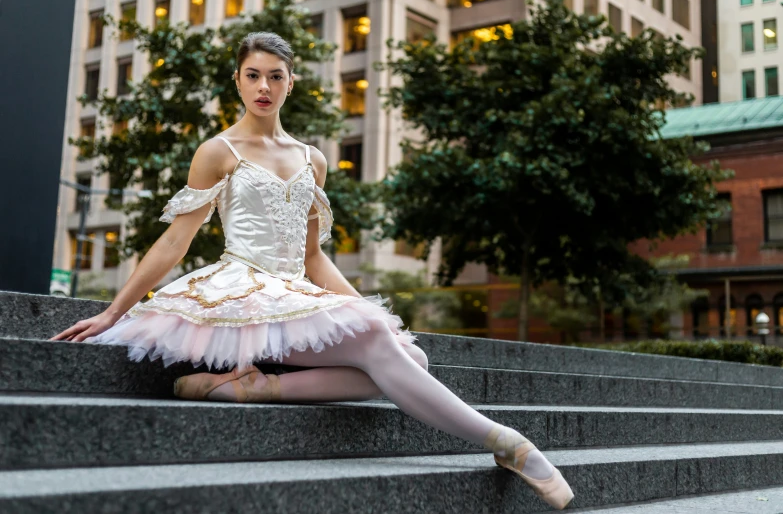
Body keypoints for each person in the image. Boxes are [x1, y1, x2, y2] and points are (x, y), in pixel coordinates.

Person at [50, 32, 573, 509]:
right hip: (241, 294)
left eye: (275, 76)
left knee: (411, 353)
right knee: (387, 352)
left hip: (294, 291)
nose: (263, 86)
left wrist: (366, 310)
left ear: (290, 83)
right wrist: (115, 312)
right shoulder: (217, 151)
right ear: (237, 80)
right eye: (253, 75)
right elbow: (175, 240)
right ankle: (507, 442)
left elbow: (313, 257)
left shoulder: (313, 159)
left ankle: (245, 389)